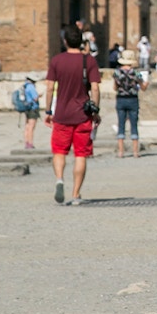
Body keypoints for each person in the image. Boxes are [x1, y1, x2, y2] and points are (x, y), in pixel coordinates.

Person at [43, 24, 102, 205]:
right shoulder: (89, 61)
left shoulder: (57, 61)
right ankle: (76, 194)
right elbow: (95, 88)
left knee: (59, 152)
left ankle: (59, 179)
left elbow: (50, 87)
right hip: (82, 115)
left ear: (65, 41)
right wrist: (96, 111)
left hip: (61, 114)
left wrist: (48, 111)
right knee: (80, 155)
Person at [114, 49, 149, 158]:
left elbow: (115, 87)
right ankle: (135, 152)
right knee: (134, 124)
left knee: (121, 124)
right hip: (133, 99)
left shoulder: (117, 72)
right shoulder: (136, 73)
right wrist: (146, 83)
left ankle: (121, 152)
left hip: (121, 98)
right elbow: (143, 87)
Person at [21, 77, 40, 150]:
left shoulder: (25, 86)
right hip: (33, 108)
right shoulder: (31, 87)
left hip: (27, 108)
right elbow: (35, 98)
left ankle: (26, 142)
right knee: (31, 127)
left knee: (27, 126)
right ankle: (30, 143)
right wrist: (39, 96)